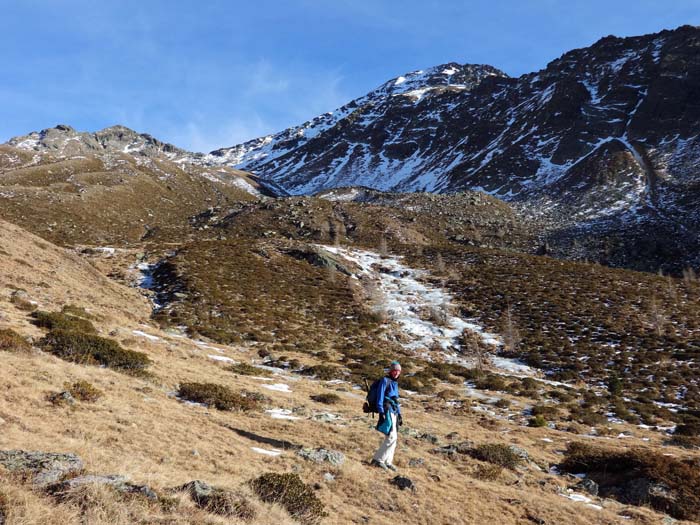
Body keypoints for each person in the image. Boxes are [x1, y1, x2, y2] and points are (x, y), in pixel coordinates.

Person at [371, 361, 403, 471]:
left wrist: (399, 414)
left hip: (393, 411)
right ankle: (377, 460)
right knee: (391, 436)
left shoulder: (395, 383)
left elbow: (396, 400)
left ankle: (388, 461)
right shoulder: (385, 380)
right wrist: (381, 412)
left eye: (398, 371)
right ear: (391, 371)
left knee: (394, 437)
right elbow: (380, 396)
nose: (396, 373)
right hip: (386, 409)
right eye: (395, 371)